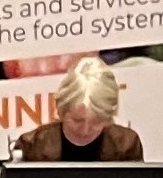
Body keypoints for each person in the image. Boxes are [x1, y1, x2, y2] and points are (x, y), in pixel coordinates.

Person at [15, 55, 144, 161]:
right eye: (77, 120)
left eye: (97, 122)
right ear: (61, 111)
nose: (85, 130)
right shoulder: (31, 147)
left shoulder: (127, 145)